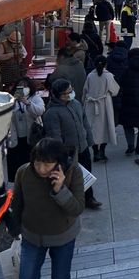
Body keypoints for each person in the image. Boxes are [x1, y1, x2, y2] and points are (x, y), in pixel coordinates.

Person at [9, 138, 84, 279]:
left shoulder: (74, 172)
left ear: (59, 163)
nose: (41, 168)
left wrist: (60, 189)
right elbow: (17, 203)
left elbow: (78, 208)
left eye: (48, 164)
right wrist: (13, 228)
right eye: (38, 162)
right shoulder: (24, 172)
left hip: (63, 237)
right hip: (32, 237)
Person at [42, 79, 101, 209]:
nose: (70, 94)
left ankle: (89, 198)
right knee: (72, 178)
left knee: (87, 174)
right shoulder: (52, 113)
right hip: (69, 153)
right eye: (66, 93)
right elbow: (55, 136)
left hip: (83, 147)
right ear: (58, 95)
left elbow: (84, 123)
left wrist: (90, 141)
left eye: (71, 91)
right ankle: (74, 202)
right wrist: (62, 155)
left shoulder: (76, 104)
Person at [6, 77, 45, 181]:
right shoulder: (10, 99)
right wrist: (14, 102)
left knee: (31, 162)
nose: (23, 88)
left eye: (26, 86)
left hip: (31, 137)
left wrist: (27, 103)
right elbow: (6, 115)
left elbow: (40, 111)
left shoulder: (35, 98)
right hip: (15, 138)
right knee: (17, 166)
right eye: (20, 86)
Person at [82, 56, 119, 163]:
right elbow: (115, 91)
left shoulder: (90, 76)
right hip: (104, 104)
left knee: (92, 129)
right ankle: (102, 151)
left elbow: (85, 91)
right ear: (106, 64)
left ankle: (95, 152)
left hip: (90, 104)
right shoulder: (108, 76)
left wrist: (83, 101)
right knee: (105, 128)